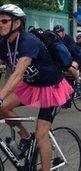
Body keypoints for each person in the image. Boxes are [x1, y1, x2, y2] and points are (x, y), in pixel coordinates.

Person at [0, 4, 73, 170]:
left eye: (4, 21)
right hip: (31, 85)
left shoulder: (28, 41)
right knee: (2, 109)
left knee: (41, 135)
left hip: (51, 87)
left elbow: (17, 74)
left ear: (17, 23)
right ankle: (24, 137)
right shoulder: (4, 44)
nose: (0, 24)